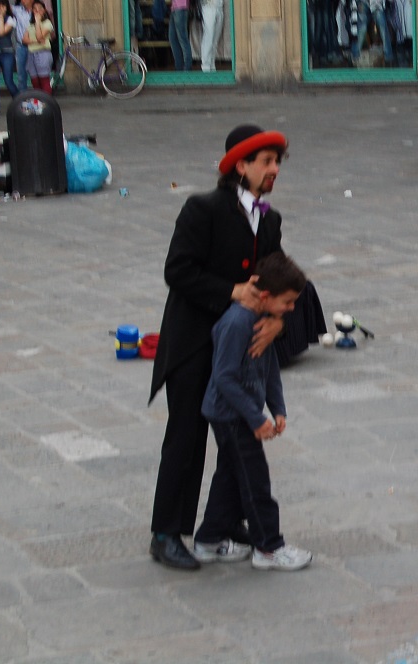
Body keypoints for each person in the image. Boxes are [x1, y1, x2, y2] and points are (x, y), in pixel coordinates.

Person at [148, 125, 289, 570]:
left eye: (277, 162)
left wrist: (276, 321)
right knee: (187, 438)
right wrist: (231, 291)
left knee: (238, 439)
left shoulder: (270, 219)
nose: (274, 170)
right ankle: (167, 532)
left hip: (237, 348)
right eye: (266, 161)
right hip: (192, 343)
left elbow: (277, 279)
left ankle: (223, 524)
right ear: (240, 166)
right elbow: (178, 270)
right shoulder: (202, 209)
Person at [192, 252, 313, 572]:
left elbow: (270, 366)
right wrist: (256, 418)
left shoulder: (263, 321)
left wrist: (278, 407)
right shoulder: (236, 323)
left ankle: (209, 539)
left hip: (239, 414)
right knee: (255, 481)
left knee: (231, 477)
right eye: (287, 302)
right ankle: (269, 547)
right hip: (230, 416)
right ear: (265, 295)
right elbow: (224, 377)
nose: (290, 310)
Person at [22, 0, 53, 93]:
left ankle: (47, 103)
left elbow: (40, 36)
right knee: (34, 80)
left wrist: (38, 22)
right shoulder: (30, 25)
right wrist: (36, 41)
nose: (37, 11)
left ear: (44, 10)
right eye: (35, 9)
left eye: (40, 8)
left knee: (44, 80)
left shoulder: (47, 23)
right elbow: (24, 40)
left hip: (43, 53)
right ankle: (39, 102)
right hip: (31, 54)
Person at [13, 0, 33, 90]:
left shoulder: (38, 10)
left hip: (35, 46)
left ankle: (39, 100)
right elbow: (3, 4)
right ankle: (23, 100)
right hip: (21, 46)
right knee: (21, 75)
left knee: (37, 75)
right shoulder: (17, 10)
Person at [200, 0, 223, 72]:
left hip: (219, 7)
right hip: (208, 6)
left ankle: (212, 64)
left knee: (215, 39)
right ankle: (206, 66)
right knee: (208, 37)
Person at [168, 0, 191, 71]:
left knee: (182, 39)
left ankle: (187, 68)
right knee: (173, 39)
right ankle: (179, 68)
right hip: (175, 7)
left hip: (181, 6)